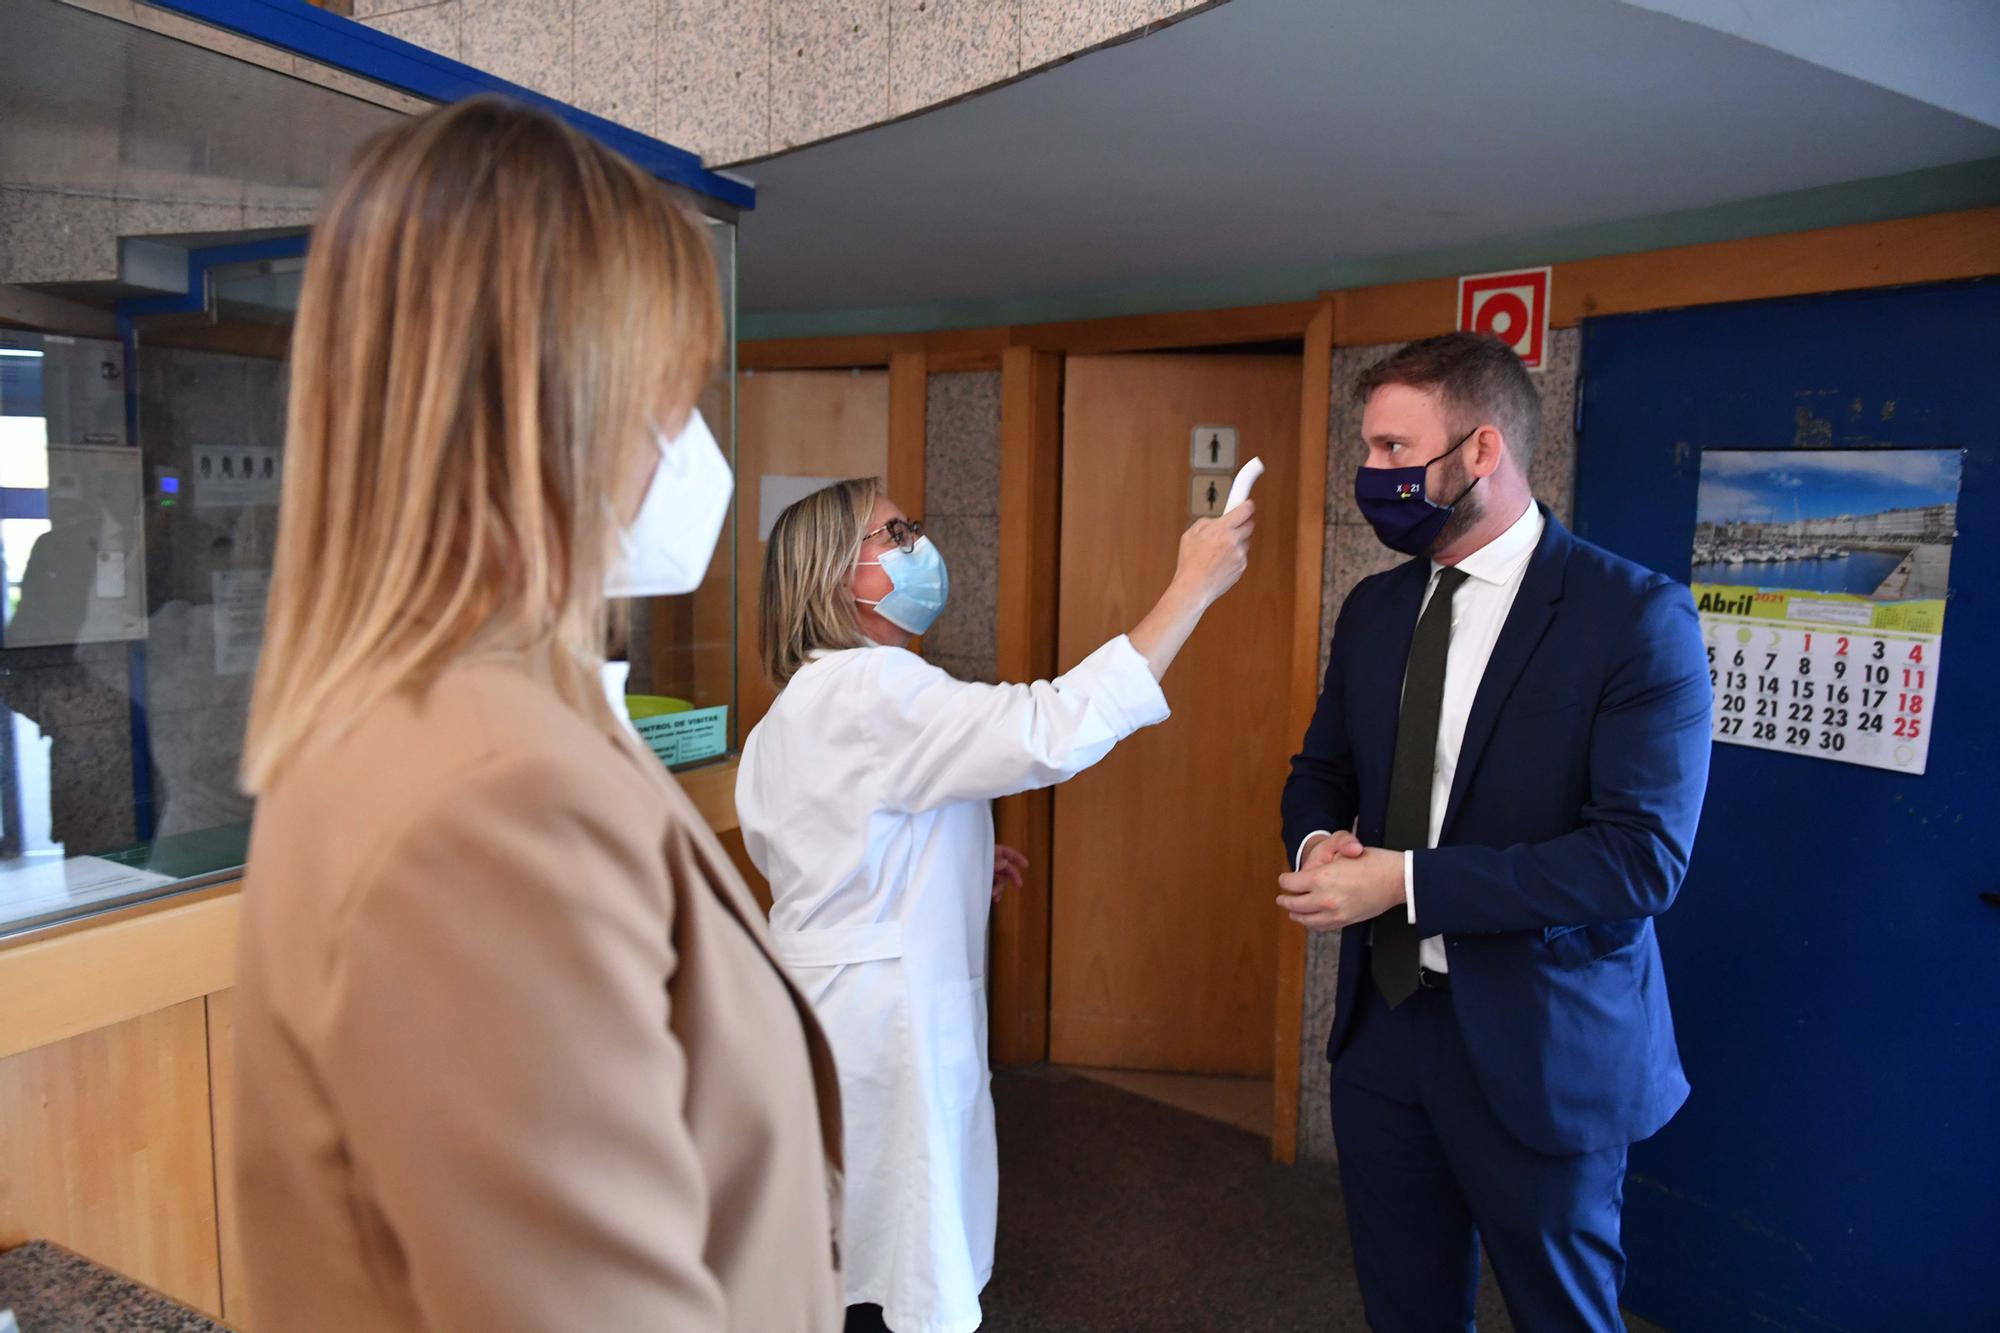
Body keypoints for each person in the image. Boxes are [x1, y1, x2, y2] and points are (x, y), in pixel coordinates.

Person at [231, 97, 843, 1331]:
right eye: (672, 397)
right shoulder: (487, 801)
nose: (692, 451)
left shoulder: (448, 728)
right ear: (553, 403)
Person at [738, 478, 1255, 1333]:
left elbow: (814, 857)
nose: (918, 543)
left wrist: (950, 862)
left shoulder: (797, 709)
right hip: (877, 1033)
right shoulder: (872, 688)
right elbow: (1048, 728)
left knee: (842, 1259)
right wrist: (1189, 588)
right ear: (837, 577)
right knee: (885, 1264)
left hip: (825, 1019)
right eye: (894, 532)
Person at [1277, 332, 1711, 1332]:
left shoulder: (1632, 618)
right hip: (1382, 1036)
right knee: (1405, 1308)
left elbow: (1637, 859)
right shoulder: (1374, 609)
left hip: (1542, 1042)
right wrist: (1314, 847)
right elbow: (1319, 771)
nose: (1370, 476)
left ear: (1480, 451)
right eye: (1366, 452)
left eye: (1393, 451)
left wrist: (1403, 884)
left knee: (1561, 1313)